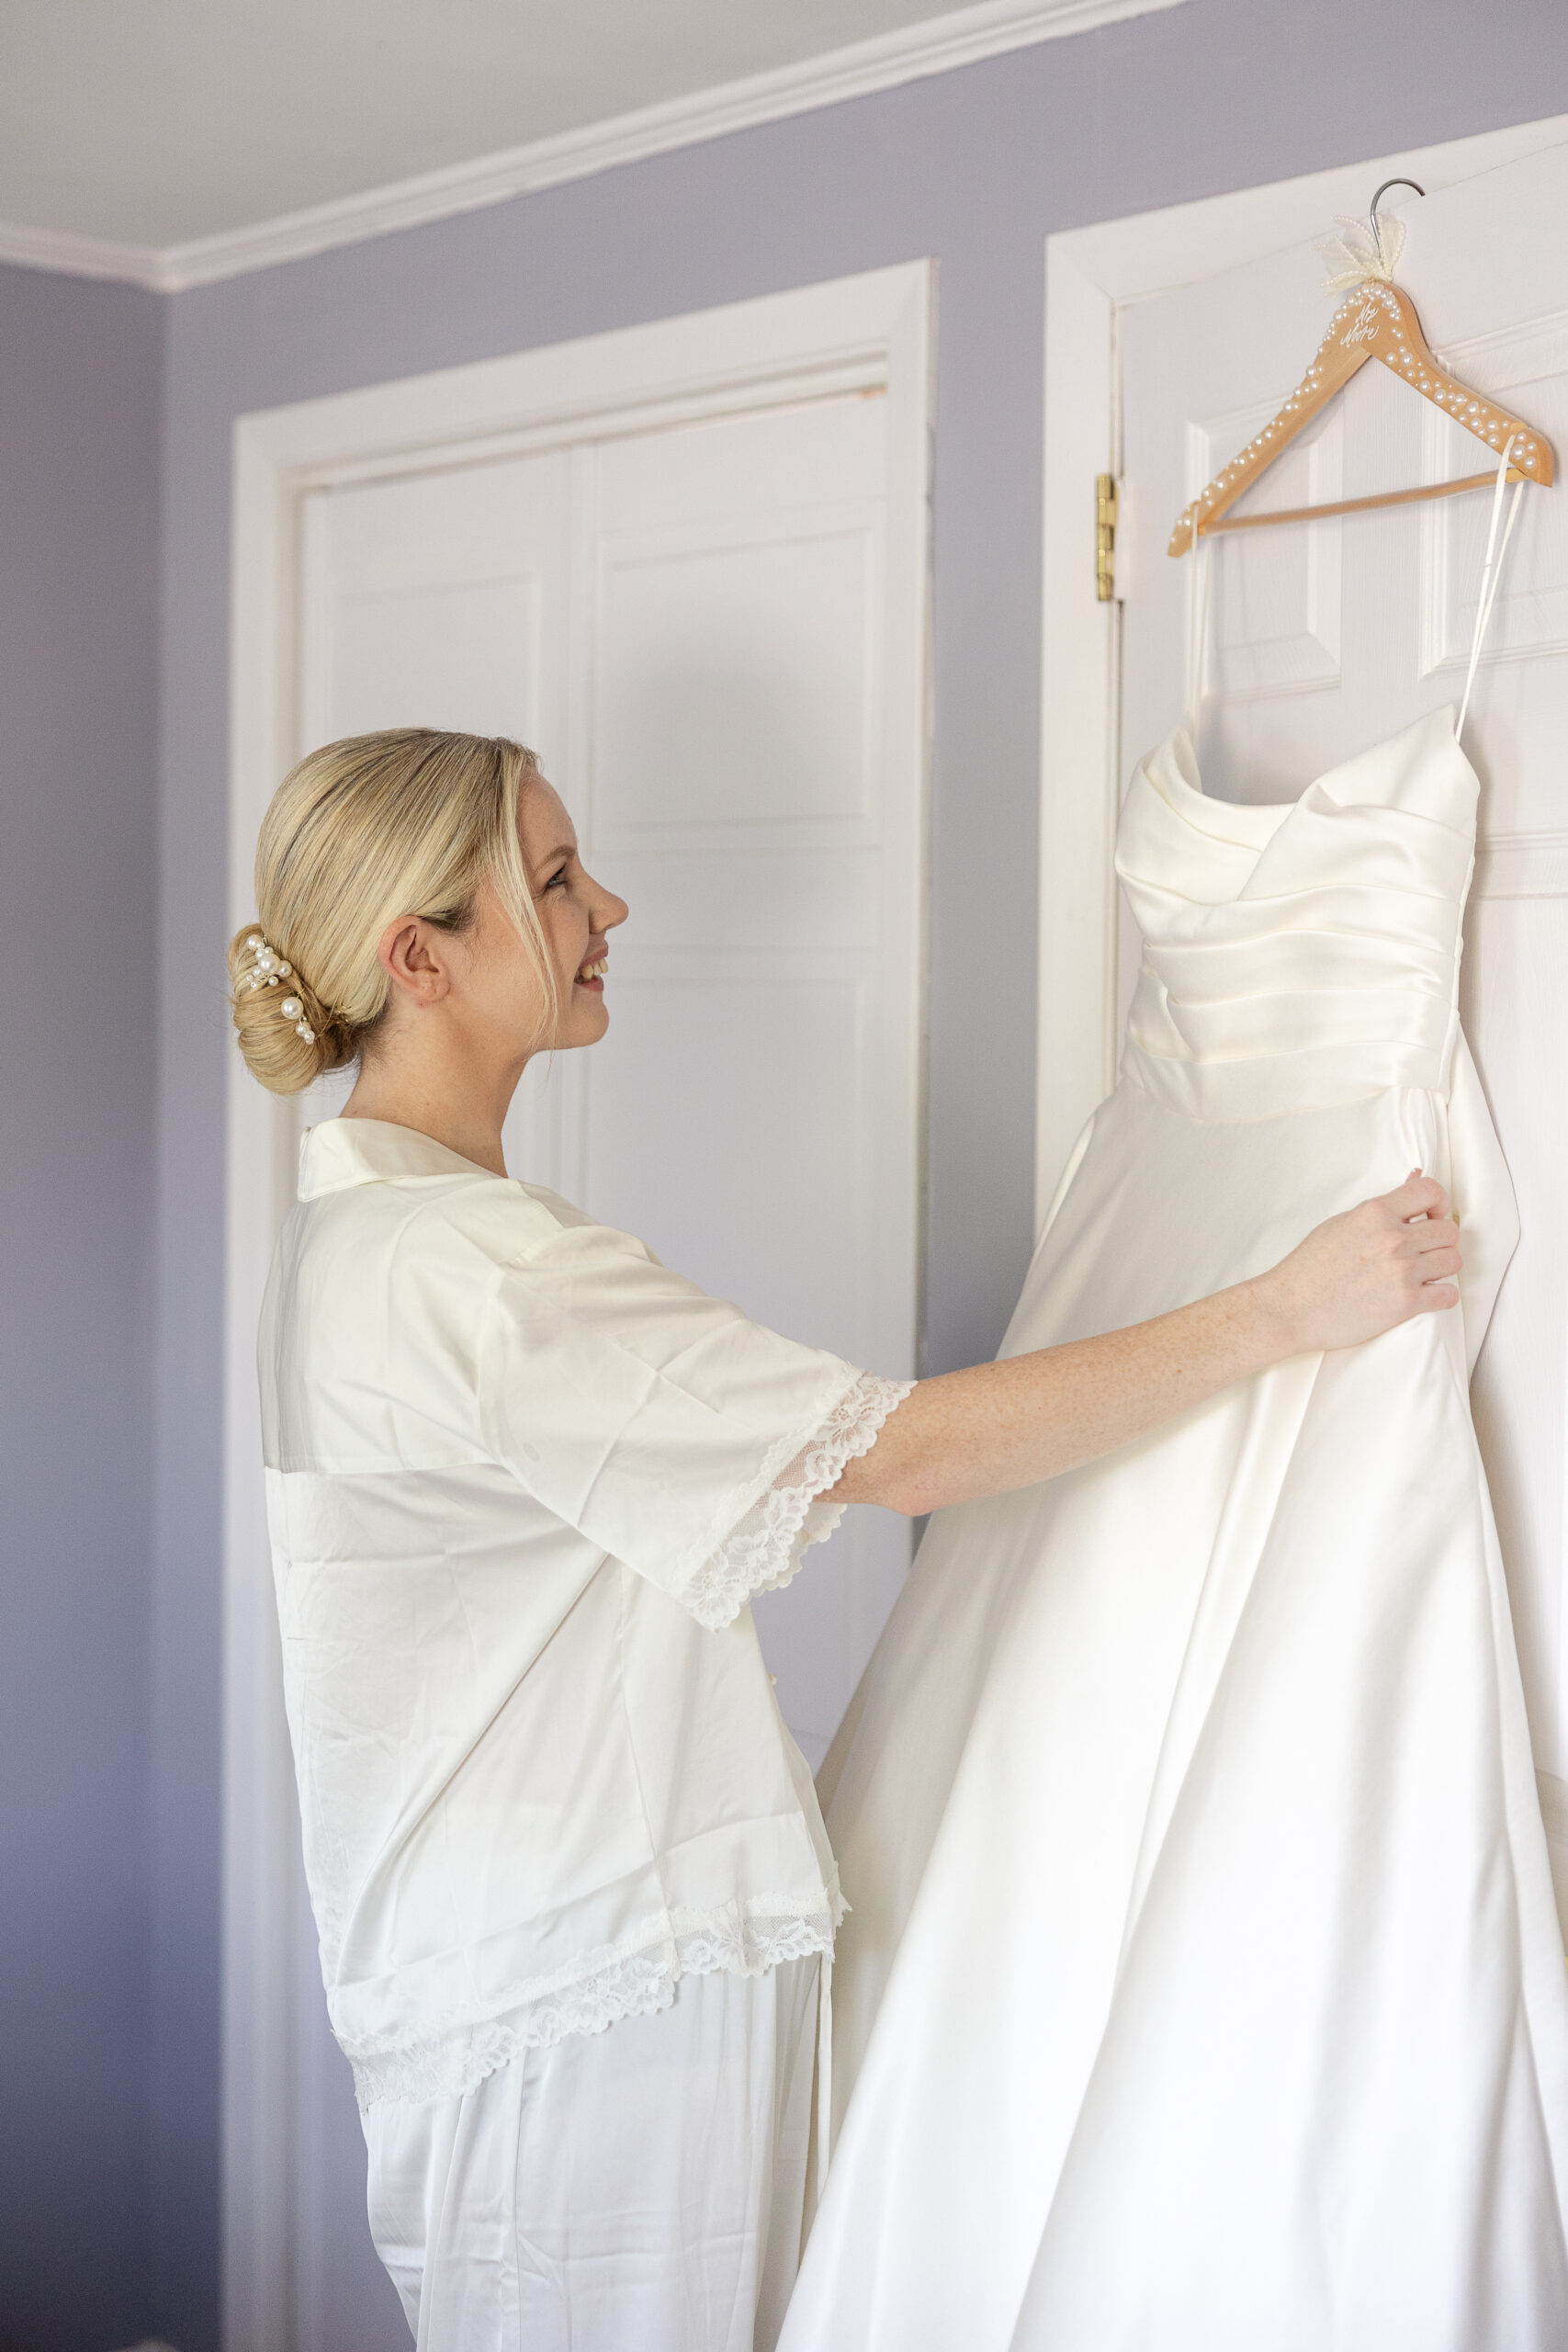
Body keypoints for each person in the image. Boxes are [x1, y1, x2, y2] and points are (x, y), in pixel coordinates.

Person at [231, 725, 1461, 2352]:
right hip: (592, 2027)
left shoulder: (366, 1243)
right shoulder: (476, 1278)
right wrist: (1284, 1310)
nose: (610, 902)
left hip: (535, 1995)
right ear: (419, 960)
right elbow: (902, 1454)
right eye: (548, 878)